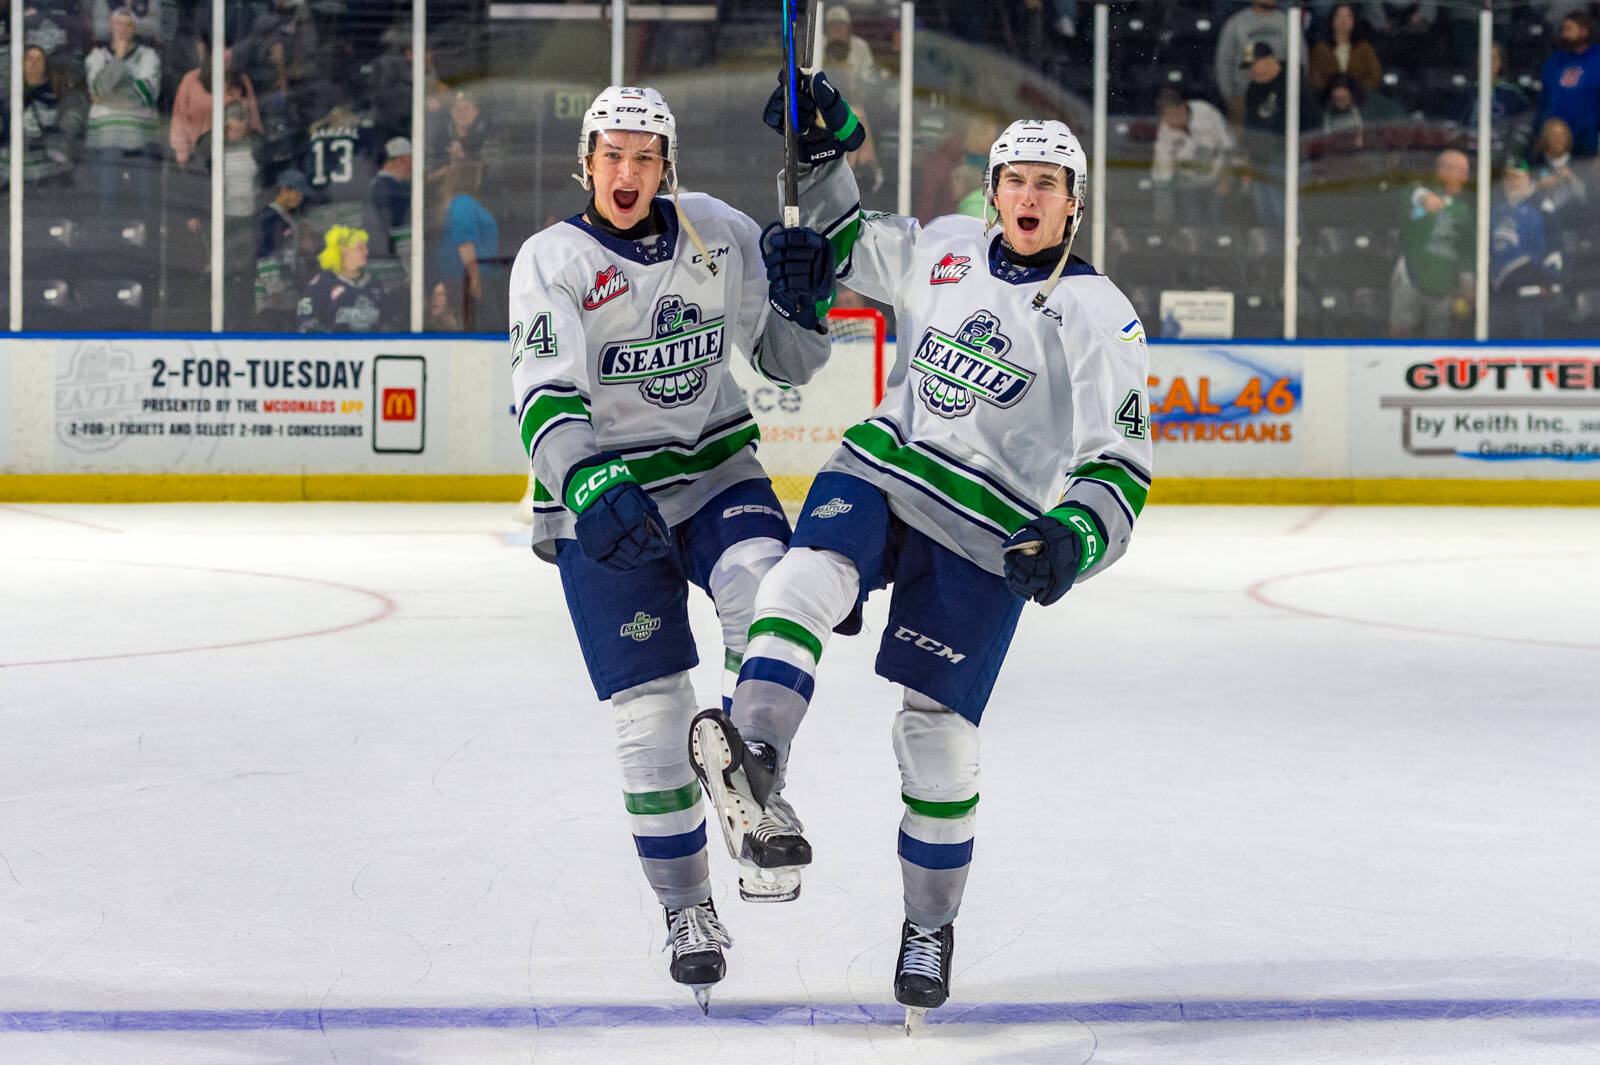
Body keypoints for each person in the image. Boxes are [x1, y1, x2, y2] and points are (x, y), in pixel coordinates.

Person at [689, 73, 1152, 1028]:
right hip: (884, 466)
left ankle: (928, 925)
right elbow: (847, 238)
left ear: (1073, 203)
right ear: (992, 188)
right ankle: (758, 758)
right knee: (802, 575)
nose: (1025, 197)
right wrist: (826, 147)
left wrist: (1074, 536)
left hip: (990, 523)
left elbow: (1122, 465)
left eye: (1046, 184)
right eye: (1012, 179)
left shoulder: (1102, 316)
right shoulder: (943, 249)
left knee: (936, 739)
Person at [506, 85, 835, 1010]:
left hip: (717, 473)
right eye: (611, 155)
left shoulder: (720, 234)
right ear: (586, 161)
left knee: (771, 592)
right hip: (602, 498)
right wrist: (586, 478)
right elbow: (540, 393)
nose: (627, 173)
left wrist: (808, 303)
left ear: (668, 166)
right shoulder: (554, 259)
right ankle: (689, 908)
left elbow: (786, 364)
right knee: (651, 719)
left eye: (645, 158)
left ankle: (756, 779)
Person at [85, 6, 161, 223]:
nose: (123, 29)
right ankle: (108, 246)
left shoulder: (149, 56)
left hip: (141, 140)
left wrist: (110, 93)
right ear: (110, 27)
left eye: (128, 25)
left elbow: (145, 94)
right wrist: (118, 59)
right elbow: (97, 91)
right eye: (118, 23)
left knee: (146, 206)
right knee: (107, 203)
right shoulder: (96, 56)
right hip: (105, 140)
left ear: (135, 30)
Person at [1390, 148, 1474, 338]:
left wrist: (1467, 284)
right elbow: (1408, 195)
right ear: (1441, 170)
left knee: (1438, 342)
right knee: (1400, 337)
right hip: (1410, 281)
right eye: (1458, 171)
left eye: (1465, 173)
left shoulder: (1463, 210)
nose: (1463, 178)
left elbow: (1466, 250)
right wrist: (1423, 196)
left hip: (1444, 289)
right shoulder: (1418, 195)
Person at [1490, 159, 1560, 340]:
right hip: (1499, 292)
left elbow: (1555, 246)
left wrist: (1550, 281)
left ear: (1528, 178)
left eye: (1518, 177)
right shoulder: (1496, 209)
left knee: (1529, 346)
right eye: (1508, 177)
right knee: (1497, 350)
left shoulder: (1542, 206)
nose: (1512, 182)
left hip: (1530, 291)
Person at [432, 159, 500, 331]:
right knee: (485, 326)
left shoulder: (463, 203)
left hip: (470, 277)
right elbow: (465, 244)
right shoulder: (463, 203)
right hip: (468, 278)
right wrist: (475, 278)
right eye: (477, 173)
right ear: (468, 177)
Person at [1151, 88, 1235, 225]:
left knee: (1216, 219)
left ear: (1183, 106)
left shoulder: (1207, 112)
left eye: (1176, 114)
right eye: (1167, 115)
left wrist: (1226, 180)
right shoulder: (1164, 130)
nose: (1172, 119)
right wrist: (1163, 209)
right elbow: (1162, 171)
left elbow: (1228, 147)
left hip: (1215, 177)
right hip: (1187, 181)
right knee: (1192, 221)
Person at [1215, 0, 1305, 119]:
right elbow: (1223, 63)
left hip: (1281, 98)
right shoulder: (1236, 23)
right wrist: (1231, 98)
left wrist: (1295, 93)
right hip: (1243, 99)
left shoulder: (1287, 21)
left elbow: (1301, 60)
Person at [296, 225, 395, 332]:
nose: (366, 252)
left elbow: (387, 320)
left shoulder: (374, 283)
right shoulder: (320, 283)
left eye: (366, 247)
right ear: (343, 251)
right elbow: (305, 322)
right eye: (360, 248)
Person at [1535, 12, 1600, 160]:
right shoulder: (1556, 60)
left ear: (1584, 31)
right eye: (1563, 29)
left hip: (1588, 142)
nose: (1564, 34)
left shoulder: (1597, 58)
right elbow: (1544, 100)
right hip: (1554, 143)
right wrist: (1539, 132)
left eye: (1569, 29)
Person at [254, 167, 311, 330]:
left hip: (287, 287)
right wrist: (273, 287)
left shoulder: (287, 217)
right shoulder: (268, 217)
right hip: (272, 291)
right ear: (284, 189)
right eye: (297, 193)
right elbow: (264, 252)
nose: (299, 198)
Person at [364, 136, 413, 283]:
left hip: (390, 259)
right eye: (412, 160)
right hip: (392, 264)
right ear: (403, 159)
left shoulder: (376, 186)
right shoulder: (389, 188)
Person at [1308, 4, 1381, 100]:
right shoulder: (1320, 48)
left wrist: (1356, 90)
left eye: (1348, 16)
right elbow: (1314, 78)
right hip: (1327, 100)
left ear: (1354, 20)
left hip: (1361, 100)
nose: (1343, 21)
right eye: (1339, 16)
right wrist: (1333, 91)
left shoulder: (1364, 48)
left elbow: (1375, 76)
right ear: (1332, 20)